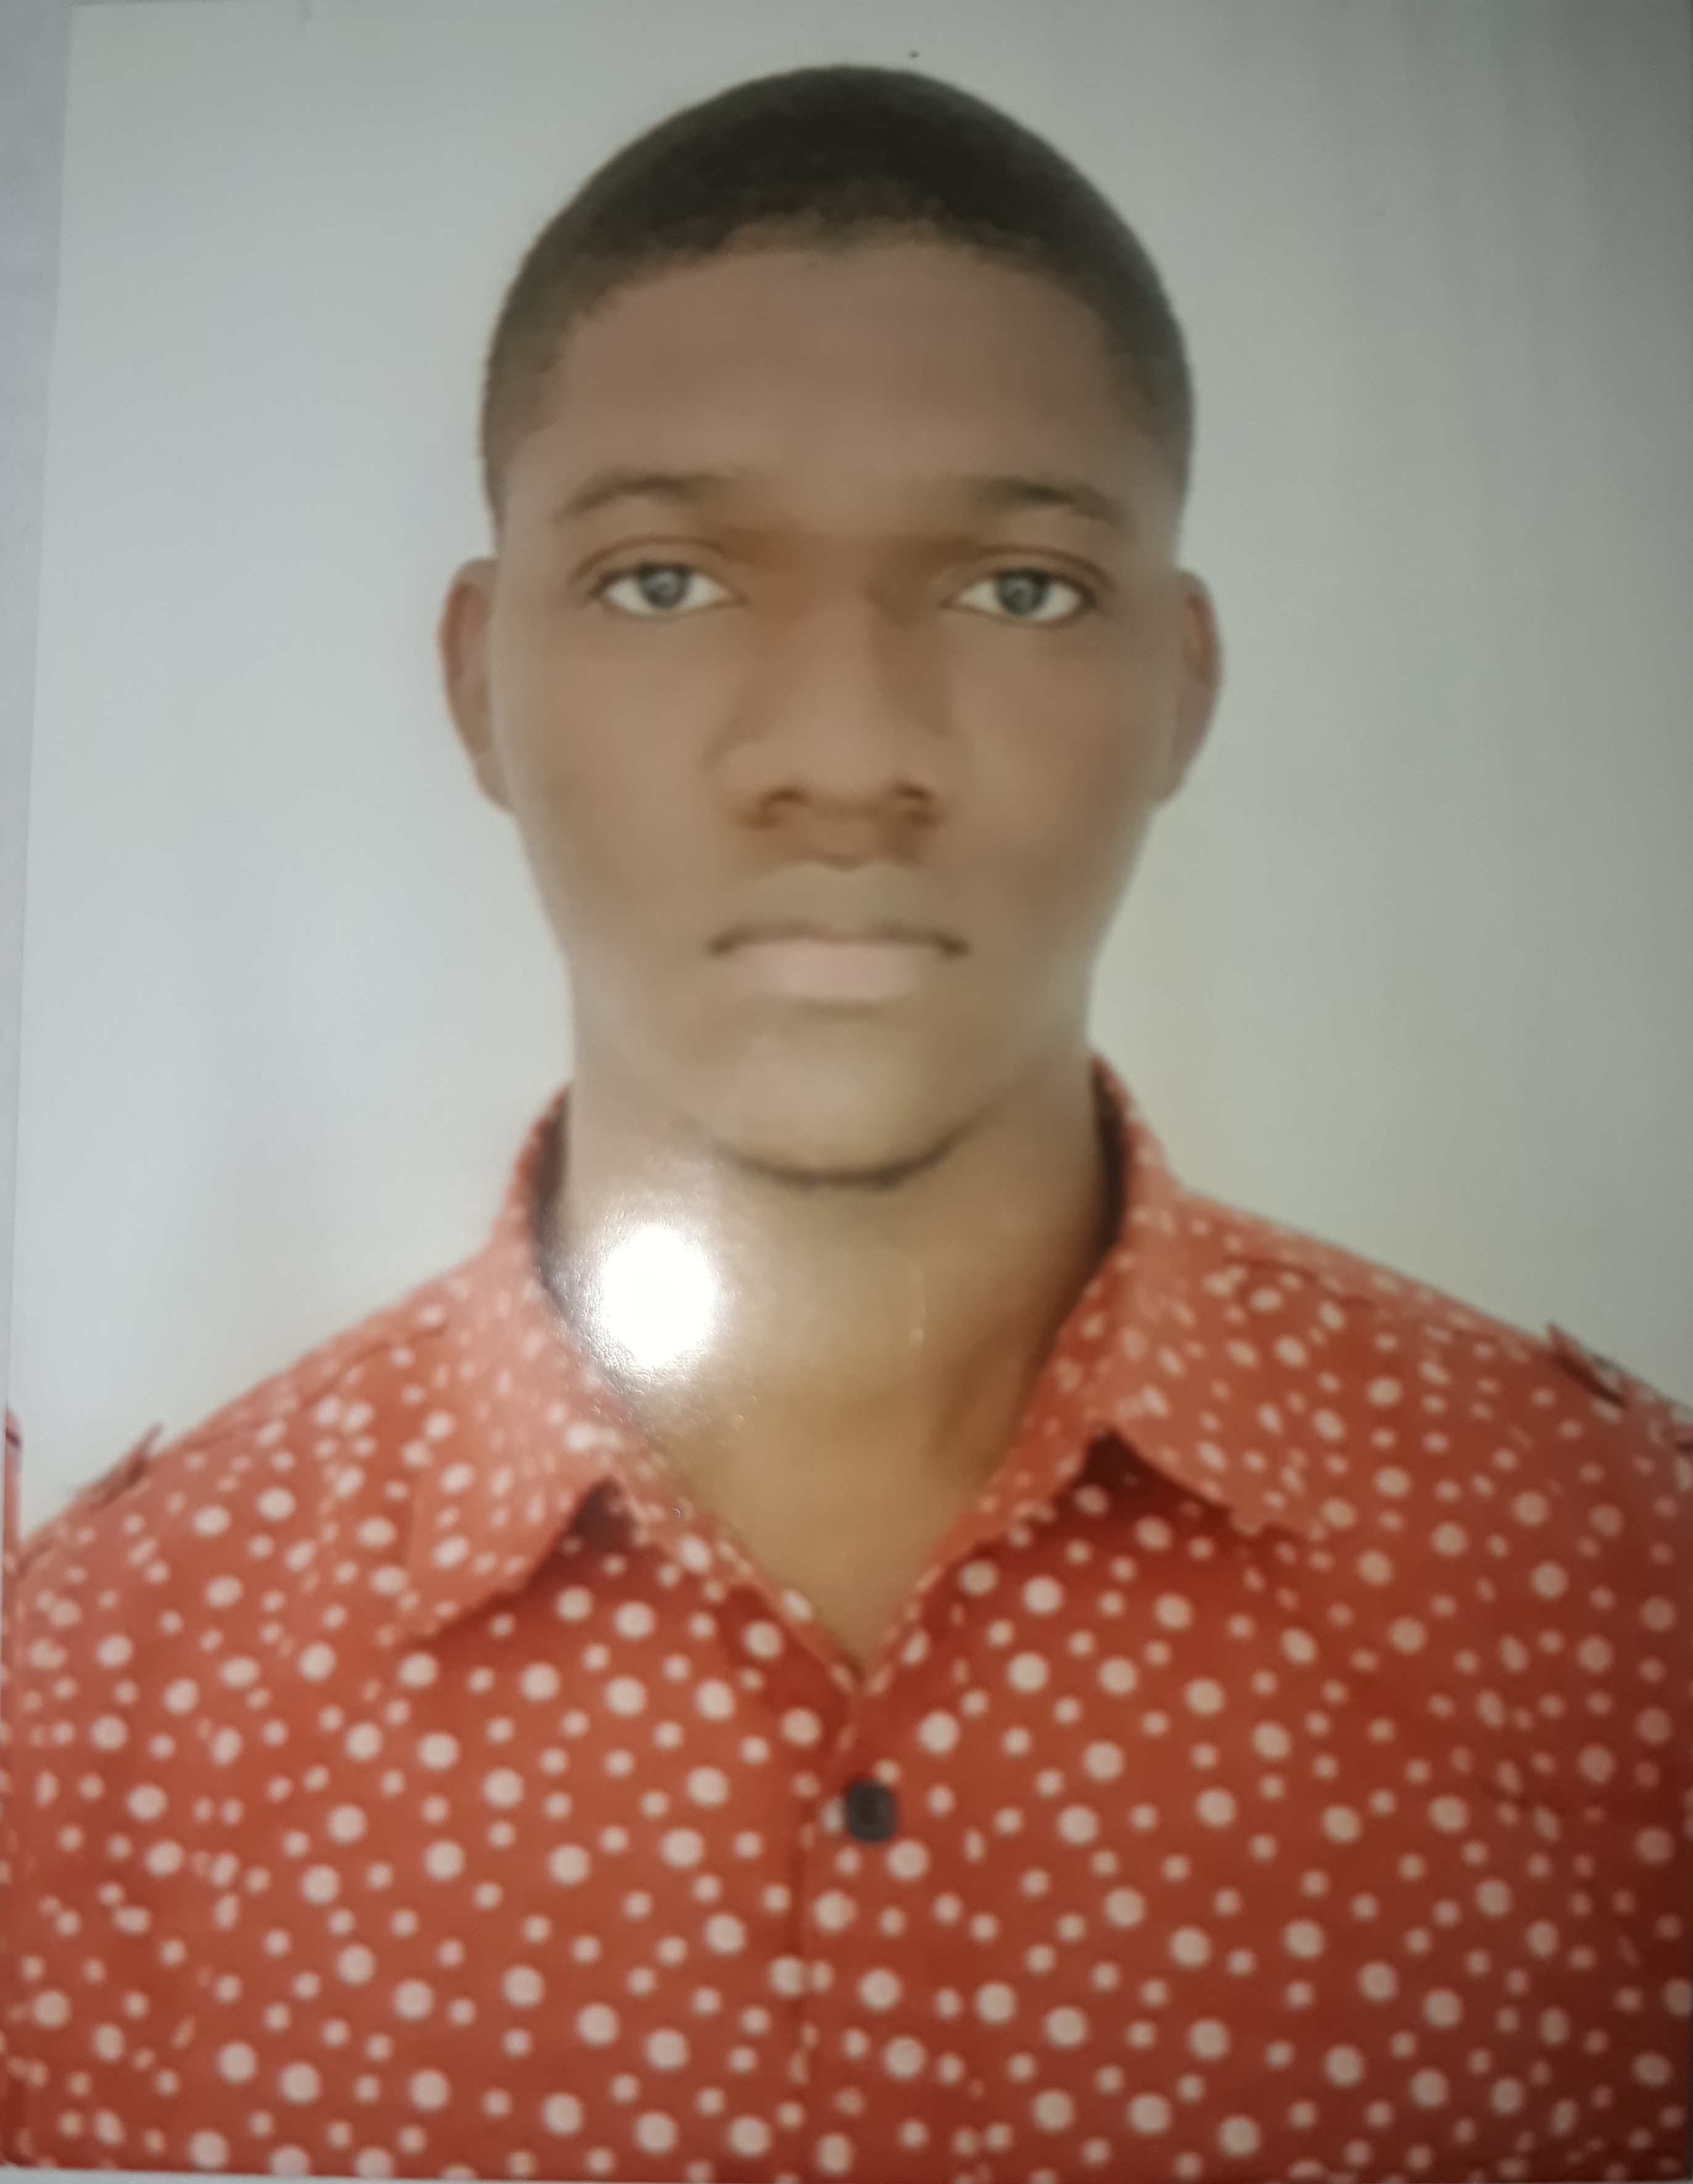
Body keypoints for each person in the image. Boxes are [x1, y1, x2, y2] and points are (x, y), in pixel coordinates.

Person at [2, 62, 1689, 2184]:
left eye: (1016, 589)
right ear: (475, 682)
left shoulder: (1624, 1599)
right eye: (661, 580)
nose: (842, 751)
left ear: (1179, 687)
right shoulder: (84, 1704)